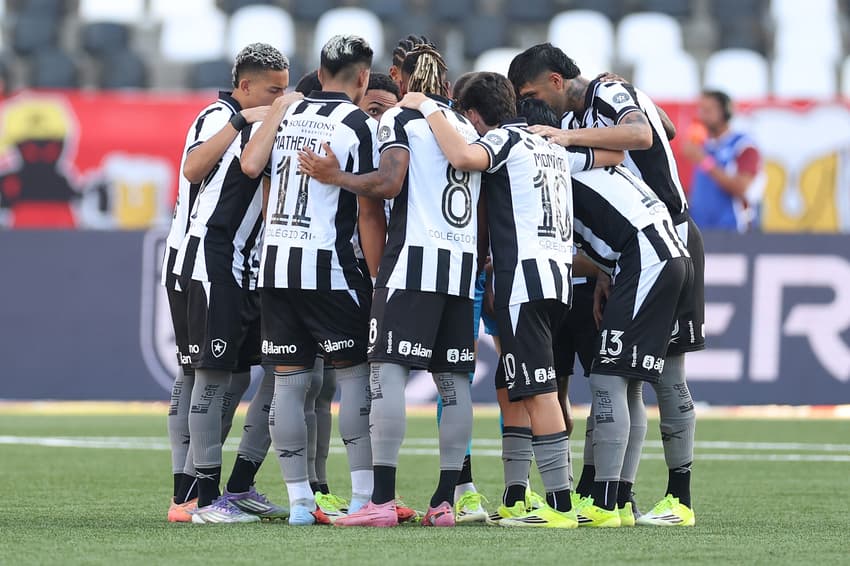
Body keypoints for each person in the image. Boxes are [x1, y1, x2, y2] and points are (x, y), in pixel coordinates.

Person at [399, 72, 623, 528]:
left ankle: (559, 506)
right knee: (518, 384)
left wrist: (427, 106)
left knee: (538, 389)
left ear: (476, 115)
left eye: (465, 116)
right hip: (558, 278)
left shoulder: (505, 140)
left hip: (525, 281)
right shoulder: (551, 145)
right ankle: (521, 496)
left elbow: (461, 154)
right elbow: (616, 152)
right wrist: (567, 136)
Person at [509, 43, 702, 526]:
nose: (536, 108)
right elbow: (663, 131)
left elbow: (641, 134)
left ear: (556, 81)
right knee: (623, 375)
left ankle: (673, 499)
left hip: (666, 236)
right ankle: (615, 496)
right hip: (629, 251)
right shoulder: (576, 128)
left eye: (533, 94)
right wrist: (605, 269)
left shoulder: (608, 92)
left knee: (656, 376)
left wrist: (617, 107)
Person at [299, 44, 480, 528]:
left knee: (387, 372)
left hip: (412, 263)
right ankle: (446, 499)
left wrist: (336, 176)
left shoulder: (399, 118)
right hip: (459, 266)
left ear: (401, 78)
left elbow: (390, 182)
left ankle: (380, 498)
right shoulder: (461, 126)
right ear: (445, 80)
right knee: (453, 381)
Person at [241, 34, 385, 526]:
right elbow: (368, 209)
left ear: (319, 72)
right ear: (363, 78)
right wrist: (376, 275)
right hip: (330, 268)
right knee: (353, 378)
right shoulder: (360, 125)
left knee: (288, 384)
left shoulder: (280, 118)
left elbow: (259, 181)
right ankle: (365, 497)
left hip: (275, 266)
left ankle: (301, 500)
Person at [167, 43, 300, 524]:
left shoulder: (266, 123)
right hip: (209, 262)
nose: (281, 98)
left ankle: (215, 491)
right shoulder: (217, 116)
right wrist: (244, 121)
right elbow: (192, 168)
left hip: (243, 266)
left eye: (286, 89)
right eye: (273, 90)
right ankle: (197, 500)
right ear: (245, 87)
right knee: (205, 376)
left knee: (241, 374)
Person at [683, 90, 764, 232]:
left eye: (708, 110)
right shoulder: (702, 146)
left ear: (725, 112)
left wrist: (705, 161)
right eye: (701, 110)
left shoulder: (743, 146)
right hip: (701, 232)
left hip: (733, 231)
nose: (703, 115)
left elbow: (742, 187)